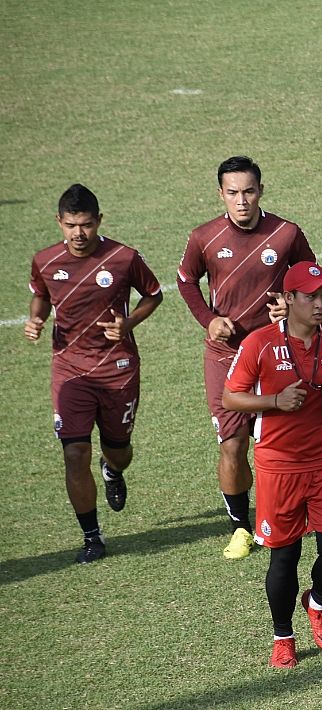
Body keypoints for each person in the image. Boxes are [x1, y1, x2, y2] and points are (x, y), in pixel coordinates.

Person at [222, 261, 322, 669]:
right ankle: (283, 636)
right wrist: (273, 402)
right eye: (311, 296)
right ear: (288, 299)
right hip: (278, 466)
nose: (320, 304)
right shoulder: (260, 344)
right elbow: (231, 398)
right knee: (284, 558)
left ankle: (316, 602)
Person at [178, 156, 316, 560]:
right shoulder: (204, 237)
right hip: (225, 356)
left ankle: (286, 514)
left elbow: (312, 276)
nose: (242, 200)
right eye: (233, 192)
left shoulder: (286, 233)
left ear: (261, 190)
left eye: (249, 191)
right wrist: (208, 319)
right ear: (221, 193)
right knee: (233, 444)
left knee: (286, 442)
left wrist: (289, 307)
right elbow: (186, 281)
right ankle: (240, 526)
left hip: (275, 353)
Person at [26, 184, 163, 563]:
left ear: (99, 221)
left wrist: (129, 323)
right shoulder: (45, 261)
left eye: (86, 224)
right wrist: (37, 318)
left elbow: (153, 293)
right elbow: (40, 293)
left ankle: (112, 470)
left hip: (117, 370)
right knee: (74, 453)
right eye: (70, 225)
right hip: (70, 371)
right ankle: (92, 536)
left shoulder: (122, 257)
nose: (78, 234)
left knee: (119, 452)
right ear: (59, 222)